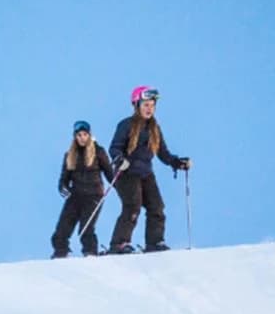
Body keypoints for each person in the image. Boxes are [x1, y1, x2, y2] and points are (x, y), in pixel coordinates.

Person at [107, 86, 191, 254]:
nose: (149, 109)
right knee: (133, 206)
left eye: (152, 105)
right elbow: (114, 148)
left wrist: (177, 163)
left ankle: (154, 242)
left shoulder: (154, 128)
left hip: (146, 173)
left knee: (157, 207)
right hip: (127, 173)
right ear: (136, 105)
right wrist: (120, 160)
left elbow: (163, 153)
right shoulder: (126, 125)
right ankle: (119, 244)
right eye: (145, 105)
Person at [50, 120, 116, 258]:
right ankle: (60, 253)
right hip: (75, 196)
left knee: (86, 228)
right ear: (75, 137)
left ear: (89, 135)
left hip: (94, 196)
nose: (82, 138)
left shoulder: (98, 151)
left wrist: (120, 183)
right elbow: (64, 179)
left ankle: (90, 252)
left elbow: (110, 174)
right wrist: (63, 188)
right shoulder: (70, 155)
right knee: (62, 229)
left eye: (85, 134)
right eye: (79, 135)